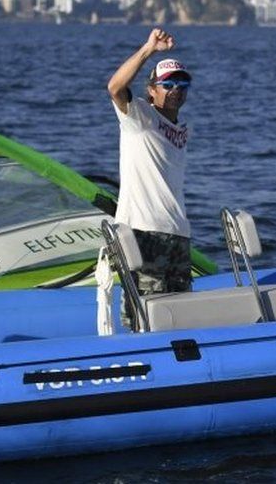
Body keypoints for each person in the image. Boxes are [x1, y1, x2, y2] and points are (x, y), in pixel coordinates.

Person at [107, 28, 194, 329]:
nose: (176, 89)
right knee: (143, 321)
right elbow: (116, 87)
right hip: (143, 233)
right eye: (167, 84)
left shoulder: (182, 129)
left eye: (182, 83)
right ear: (152, 91)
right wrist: (148, 49)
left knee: (180, 319)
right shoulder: (141, 117)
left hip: (178, 235)